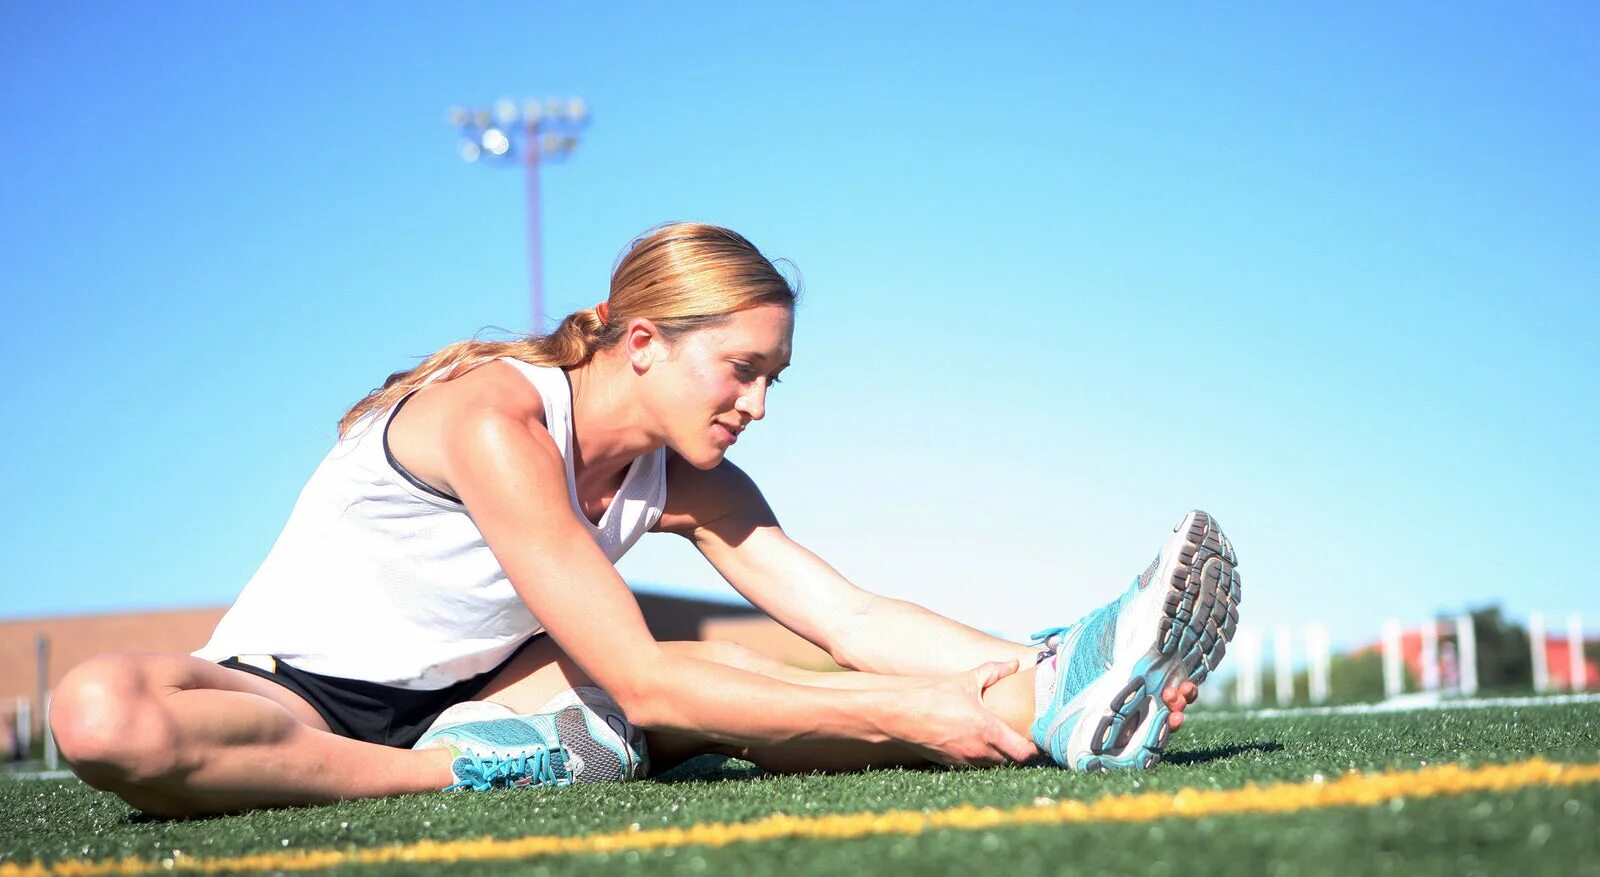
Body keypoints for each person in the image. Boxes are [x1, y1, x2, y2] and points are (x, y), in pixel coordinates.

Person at [48, 223, 1240, 817]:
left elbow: (847, 612)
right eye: (741, 368)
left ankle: (1054, 689)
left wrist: (1018, 662)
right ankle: (454, 777)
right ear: (639, 342)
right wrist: (906, 710)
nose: (758, 404)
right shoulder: (491, 419)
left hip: (490, 690)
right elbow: (645, 675)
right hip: (289, 696)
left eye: (775, 377)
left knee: (712, 694)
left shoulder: (687, 477)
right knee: (99, 712)